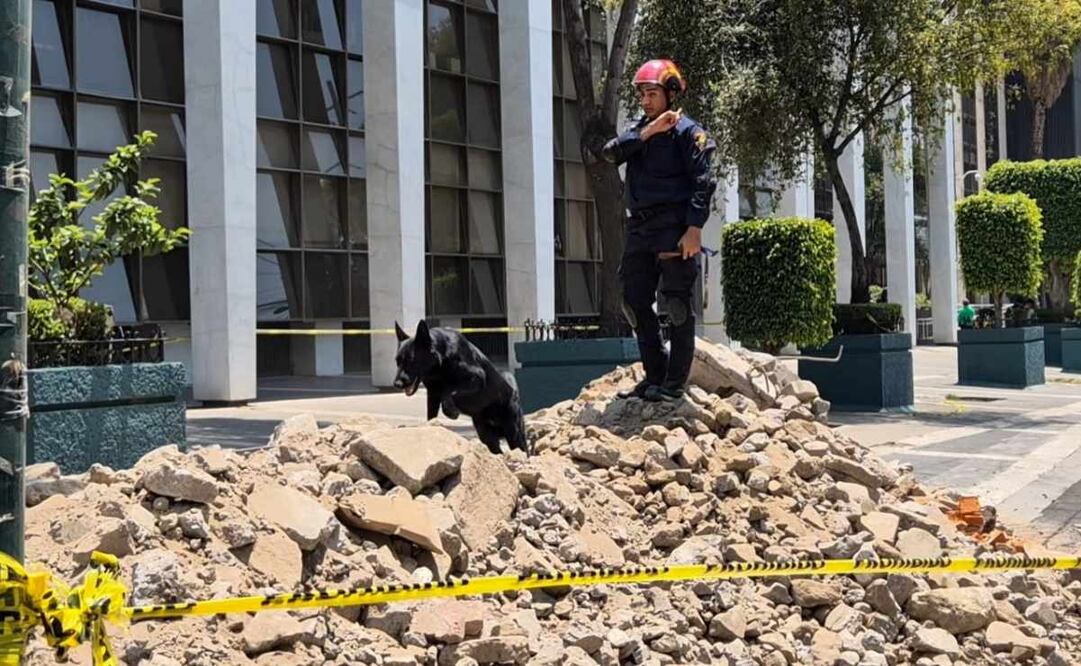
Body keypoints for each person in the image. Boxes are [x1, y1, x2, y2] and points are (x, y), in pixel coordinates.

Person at [600, 59, 717, 402]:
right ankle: (655, 374)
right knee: (632, 300)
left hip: (674, 226)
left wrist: (694, 228)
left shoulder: (689, 132)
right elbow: (608, 154)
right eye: (643, 95)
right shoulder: (639, 131)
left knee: (677, 305)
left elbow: (704, 182)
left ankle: (673, 384)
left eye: (652, 93)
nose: (646, 101)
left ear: (671, 93)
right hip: (640, 227)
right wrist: (649, 131)